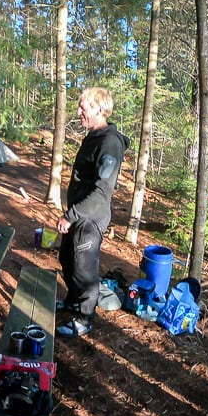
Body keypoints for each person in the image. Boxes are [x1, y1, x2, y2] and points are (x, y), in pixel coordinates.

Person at [55, 87, 129, 338]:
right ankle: (73, 302)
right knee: (67, 259)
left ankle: (84, 319)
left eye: (83, 107)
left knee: (84, 270)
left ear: (99, 109)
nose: (79, 112)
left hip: (90, 218)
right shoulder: (94, 136)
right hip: (79, 213)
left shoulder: (109, 143)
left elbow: (101, 192)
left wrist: (70, 216)